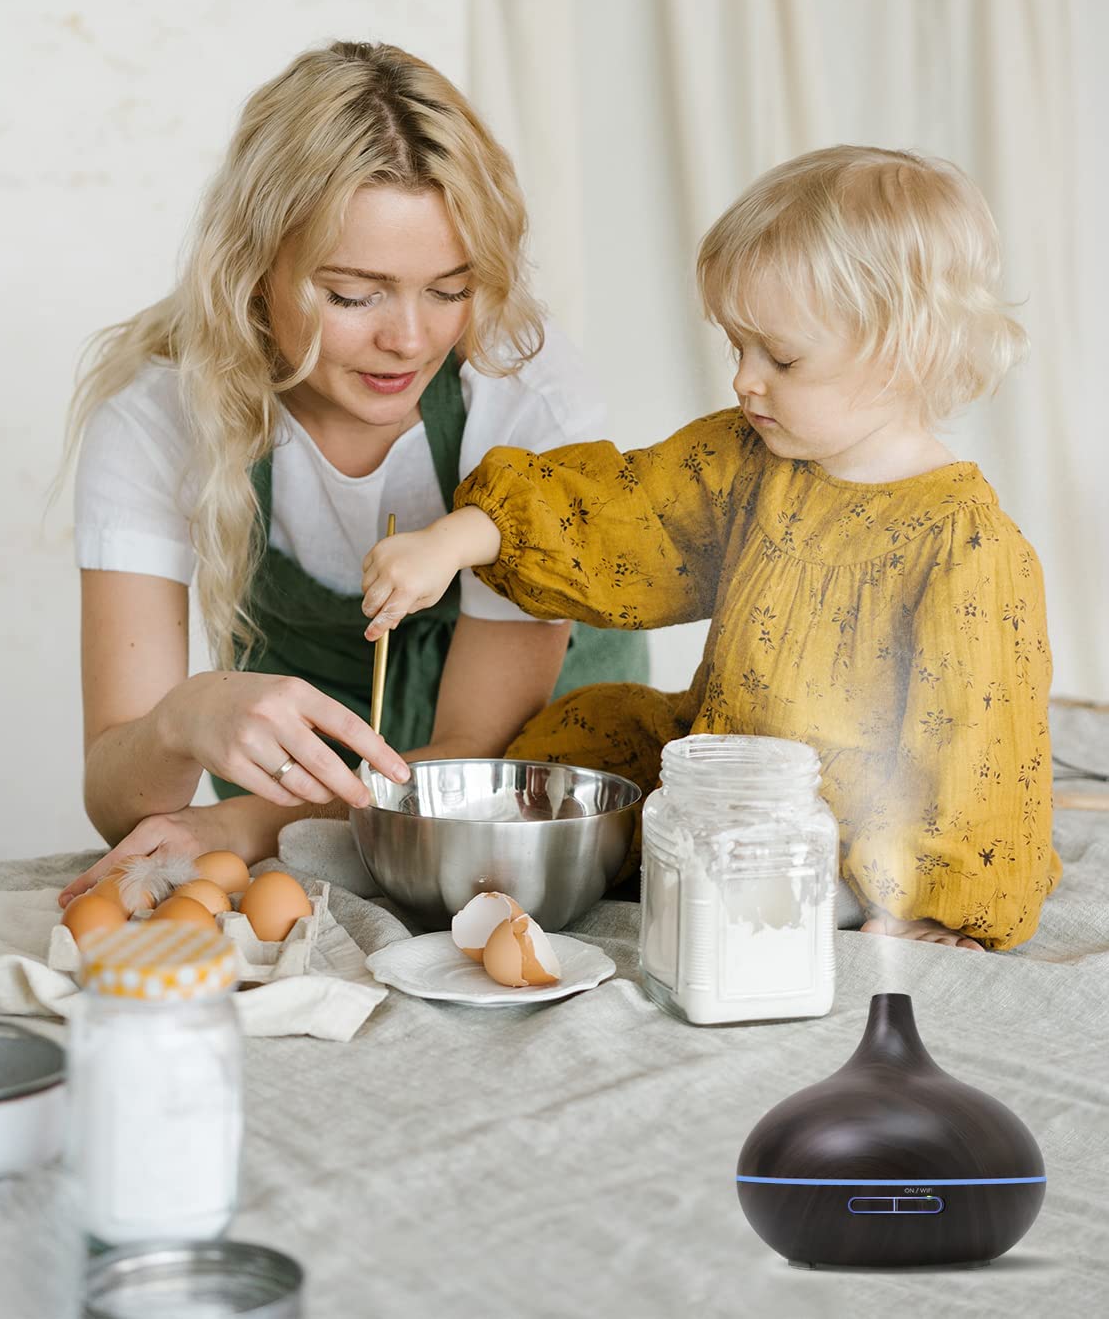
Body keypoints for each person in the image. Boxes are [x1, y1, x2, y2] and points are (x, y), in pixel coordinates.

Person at [360, 145, 1061, 951]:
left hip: (845, 819)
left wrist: (934, 904)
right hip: (720, 761)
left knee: (845, 849)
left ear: (907, 352)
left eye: (780, 357)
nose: (744, 380)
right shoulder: (748, 459)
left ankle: (820, 889)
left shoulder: (968, 548)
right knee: (578, 737)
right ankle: (562, 858)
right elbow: (629, 509)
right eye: (737, 348)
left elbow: (978, 747)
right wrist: (458, 538)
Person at [58, 40, 646, 905]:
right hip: (318, 798)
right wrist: (184, 719)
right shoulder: (160, 417)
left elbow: (474, 757)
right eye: (353, 294)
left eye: (449, 289)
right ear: (255, 269)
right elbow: (120, 797)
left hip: (527, 777)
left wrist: (249, 824)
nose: (408, 340)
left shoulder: (525, 393)